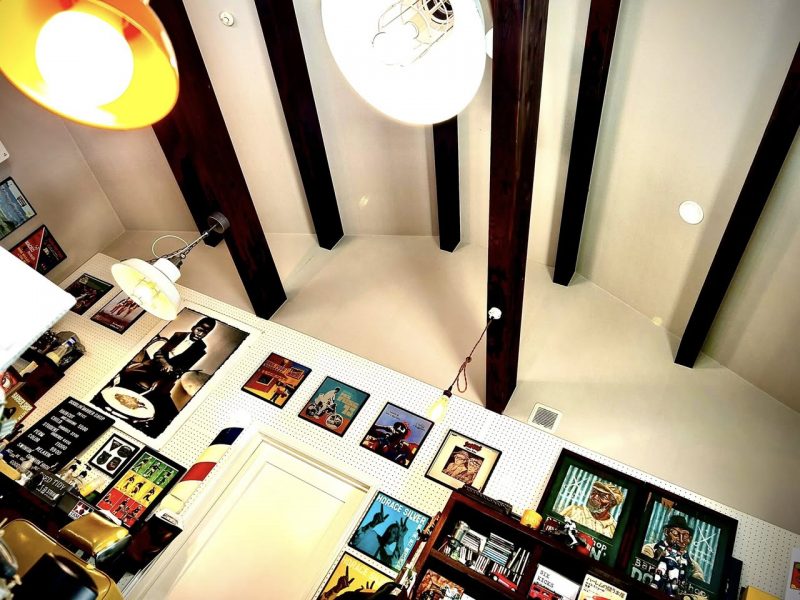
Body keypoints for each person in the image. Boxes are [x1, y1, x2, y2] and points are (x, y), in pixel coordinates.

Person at [642, 514, 705, 582]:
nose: (680, 540)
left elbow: (698, 583)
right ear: (666, 532)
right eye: (676, 533)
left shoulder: (693, 566)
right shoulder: (650, 549)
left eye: (685, 536)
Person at [559, 480, 624, 538]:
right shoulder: (574, 511)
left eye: (602, 496)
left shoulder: (613, 528)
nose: (595, 497)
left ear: (612, 503)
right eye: (593, 492)